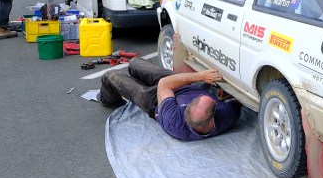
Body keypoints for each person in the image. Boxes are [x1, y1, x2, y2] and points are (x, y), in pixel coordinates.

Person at [99, 35, 241, 141]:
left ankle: (109, 100)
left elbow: (164, 85)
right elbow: (237, 100)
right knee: (135, 63)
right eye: (197, 99)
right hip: (182, 87)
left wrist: (201, 76)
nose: (198, 98)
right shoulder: (227, 116)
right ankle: (136, 72)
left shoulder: (174, 123)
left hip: (155, 100)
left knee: (111, 76)